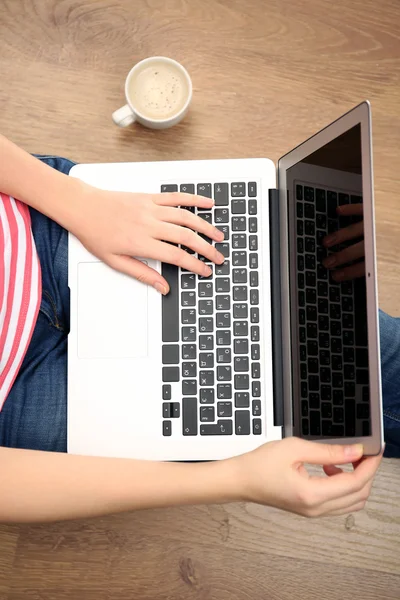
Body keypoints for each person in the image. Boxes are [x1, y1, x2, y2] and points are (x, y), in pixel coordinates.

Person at [0, 133, 394, 525]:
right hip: (19, 398)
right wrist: (234, 478)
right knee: (342, 375)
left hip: (38, 218)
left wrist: (76, 200)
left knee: (366, 347)